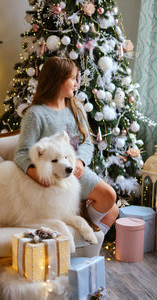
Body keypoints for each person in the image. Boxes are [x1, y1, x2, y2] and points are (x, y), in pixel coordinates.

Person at [14, 56, 119, 235]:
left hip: (75, 168)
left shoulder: (76, 107)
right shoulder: (35, 114)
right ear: (57, 80)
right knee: (109, 196)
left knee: (113, 209)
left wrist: (80, 162)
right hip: (55, 175)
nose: (77, 84)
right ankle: (77, 223)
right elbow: (22, 153)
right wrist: (40, 176)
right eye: (72, 79)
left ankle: (80, 226)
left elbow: (87, 142)